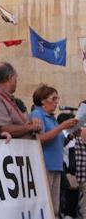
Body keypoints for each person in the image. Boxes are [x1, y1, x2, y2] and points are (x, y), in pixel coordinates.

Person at [30, 84, 78, 218]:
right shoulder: (37, 114)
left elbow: (59, 142)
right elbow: (41, 138)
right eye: (54, 98)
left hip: (56, 166)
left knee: (54, 207)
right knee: (46, 205)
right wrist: (62, 126)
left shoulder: (52, 118)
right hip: (45, 165)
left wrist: (70, 135)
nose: (57, 102)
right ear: (43, 100)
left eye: (57, 98)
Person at [0, 62, 42, 138]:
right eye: (15, 78)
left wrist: (31, 123)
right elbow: (4, 129)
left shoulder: (6, 97)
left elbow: (19, 124)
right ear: (9, 77)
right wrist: (30, 127)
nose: (16, 81)